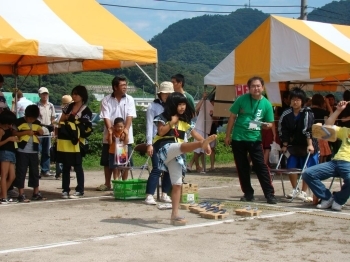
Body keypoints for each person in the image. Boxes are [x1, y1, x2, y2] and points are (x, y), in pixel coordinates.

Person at [153, 92, 216, 225]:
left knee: (177, 184)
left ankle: (174, 214)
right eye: (180, 104)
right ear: (173, 105)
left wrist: (205, 143)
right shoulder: (162, 117)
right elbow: (161, 132)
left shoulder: (184, 122)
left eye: (184, 104)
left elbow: (195, 133)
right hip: (163, 149)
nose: (183, 107)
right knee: (182, 146)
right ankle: (200, 145)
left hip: (176, 155)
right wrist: (171, 123)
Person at [224, 76, 277, 204]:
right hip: (238, 137)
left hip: (255, 139)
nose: (256, 88)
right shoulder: (241, 99)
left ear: (263, 88)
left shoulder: (267, 104)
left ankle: (269, 194)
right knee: (242, 167)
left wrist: (266, 126)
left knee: (261, 166)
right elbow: (232, 117)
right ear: (249, 88)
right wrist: (227, 135)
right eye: (253, 86)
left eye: (258, 86)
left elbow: (271, 123)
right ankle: (248, 193)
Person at [302, 100, 350, 211]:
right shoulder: (346, 131)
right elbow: (327, 126)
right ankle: (327, 198)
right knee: (308, 173)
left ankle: (339, 199)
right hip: (335, 162)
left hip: (348, 165)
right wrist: (338, 110)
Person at [97, 76, 137, 191]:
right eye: (122, 85)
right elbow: (106, 116)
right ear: (115, 87)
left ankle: (123, 183)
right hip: (110, 135)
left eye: (126, 85)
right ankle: (108, 183)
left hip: (125, 135)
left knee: (124, 161)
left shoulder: (130, 99)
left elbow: (130, 116)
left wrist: (126, 130)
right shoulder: (106, 100)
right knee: (108, 160)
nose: (125, 87)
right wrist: (111, 131)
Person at [278, 87, 318, 201]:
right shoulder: (286, 114)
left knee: (307, 169)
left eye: (298, 99)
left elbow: (308, 129)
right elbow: (282, 130)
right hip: (294, 145)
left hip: (307, 144)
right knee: (291, 167)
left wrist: (310, 145)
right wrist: (284, 144)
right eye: (293, 99)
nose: (295, 102)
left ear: (302, 101)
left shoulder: (307, 112)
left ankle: (304, 192)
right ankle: (295, 189)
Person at [56, 85, 93, 199]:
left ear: (82, 96)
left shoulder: (86, 110)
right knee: (66, 167)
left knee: (78, 166)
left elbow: (85, 125)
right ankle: (65, 190)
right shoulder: (68, 106)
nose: (74, 96)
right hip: (65, 141)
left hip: (77, 142)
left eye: (77, 94)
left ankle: (80, 190)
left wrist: (74, 120)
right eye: (73, 93)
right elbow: (61, 120)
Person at [145, 81, 173, 205]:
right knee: (157, 168)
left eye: (169, 93)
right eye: (164, 93)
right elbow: (149, 125)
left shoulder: (173, 106)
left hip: (170, 140)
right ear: (160, 93)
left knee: (169, 168)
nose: (166, 95)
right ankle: (149, 195)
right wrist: (149, 143)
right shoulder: (153, 106)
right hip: (156, 140)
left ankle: (165, 193)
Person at [13, 105, 47, 203]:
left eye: (33, 119)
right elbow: (14, 133)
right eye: (30, 118)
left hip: (34, 151)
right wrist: (26, 132)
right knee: (21, 172)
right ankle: (21, 193)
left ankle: (36, 192)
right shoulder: (19, 122)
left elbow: (41, 132)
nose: (31, 120)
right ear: (26, 115)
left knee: (35, 172)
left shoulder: (37, 123)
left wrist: (41, 132)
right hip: (22, 150)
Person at [37, 87, 55, 177]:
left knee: (46, 151)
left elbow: (53, 119)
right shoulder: (37, 105)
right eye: (43, 94)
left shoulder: (51, 105)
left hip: (48, 130)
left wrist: (54, 130)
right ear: (39, 95)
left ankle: (45, 170)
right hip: (39, 131)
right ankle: (36, 170)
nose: (44, 96)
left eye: (46, 94)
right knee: (37, 151)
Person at [0, 110, 18, 204]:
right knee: (4, 175)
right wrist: (9, 139)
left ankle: (2, 195)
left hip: (11, 152)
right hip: (4, 152)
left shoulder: (9, 129)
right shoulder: (1, 130)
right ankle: (4, 197)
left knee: (12, 176)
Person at [54, 95, 73, 180]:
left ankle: (63, 172)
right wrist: (56, 136)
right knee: (61, 156)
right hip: (62, 139)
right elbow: (56, 127)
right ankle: (59, 172)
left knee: (65, 156)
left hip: (67, 138)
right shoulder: (61, 115)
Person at [310, 94, 332, 163]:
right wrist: (328, 103)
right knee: (322, 154)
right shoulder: (322, 111)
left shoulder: (308, 110)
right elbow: (332, 114)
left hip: (310, 134)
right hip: (320, 134)